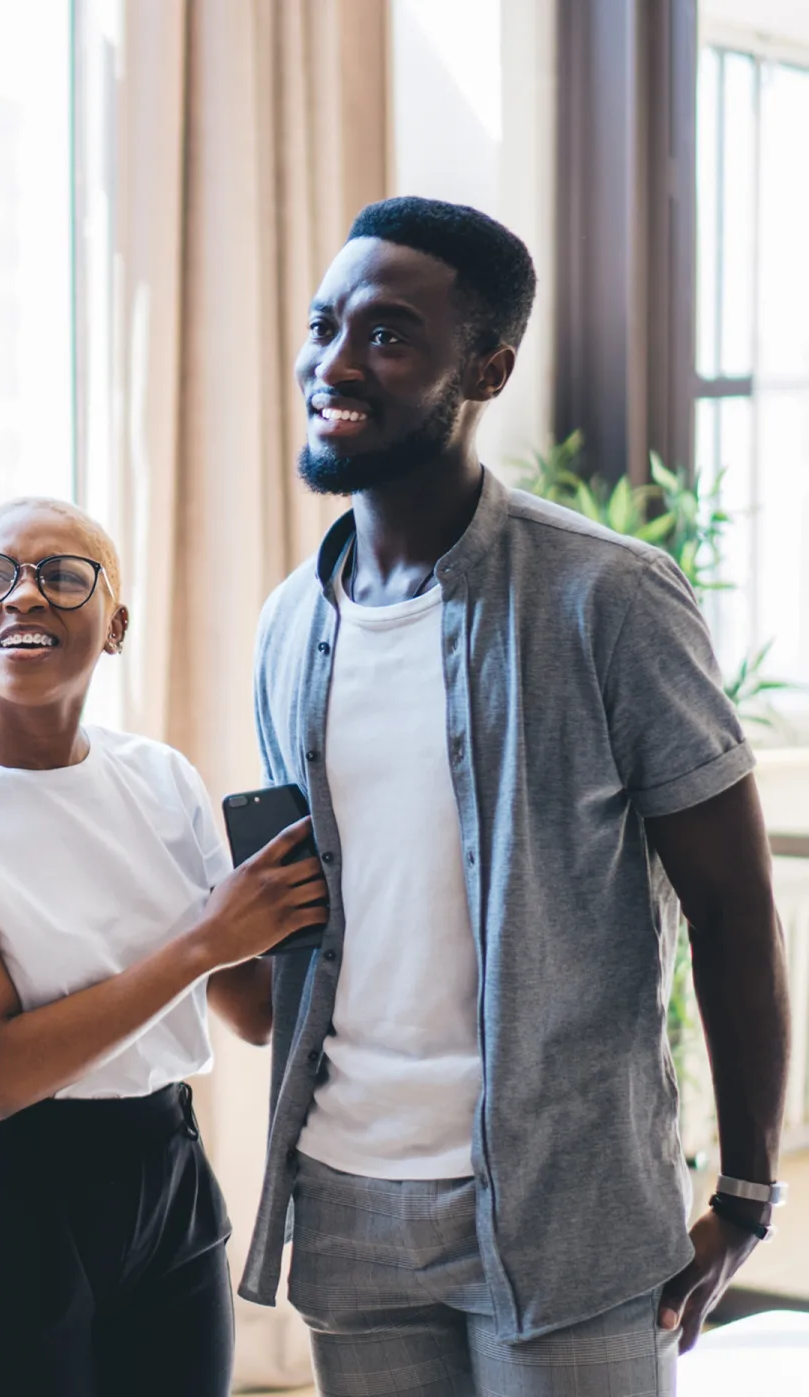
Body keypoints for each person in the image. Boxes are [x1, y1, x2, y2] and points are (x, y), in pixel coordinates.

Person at [238, 195, 791, 1395]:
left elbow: (736, 911)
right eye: (326, 324)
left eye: (387, 335)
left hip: (568, 1203)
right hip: (346, 1194)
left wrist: (747, 1189)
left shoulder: (611, 598)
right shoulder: (289, 624)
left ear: (484, 367)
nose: (335, 362)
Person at [0, 497, 325, 1397]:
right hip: (6, 1187)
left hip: (166, 1167)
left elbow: (251, 1011)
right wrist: (202, 940)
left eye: (63, 575)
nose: (23, 595)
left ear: (114, 625)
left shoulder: (161, 776)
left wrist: (300, 899)